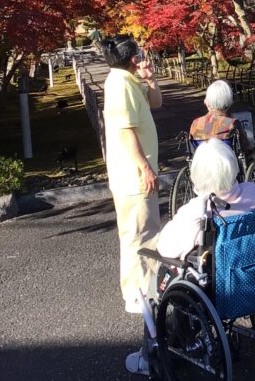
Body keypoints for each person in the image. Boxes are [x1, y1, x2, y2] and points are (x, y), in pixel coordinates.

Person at [99, 35, 163, 318]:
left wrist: (150, 79)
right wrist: (144, 167)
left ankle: (146, 288)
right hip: (133, 176)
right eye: (138, 54)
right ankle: (139, 295)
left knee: (144, 233)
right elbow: (125, 130)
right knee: (139, 236)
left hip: (135, 174)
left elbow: (156, 103)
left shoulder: (127, 79)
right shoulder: (119, 84)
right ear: (133, 57)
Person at [156, 138, 255, 261]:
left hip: (217, 274)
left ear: (196, 173)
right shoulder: (253, 191)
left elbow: (165, 248)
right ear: (233, 166)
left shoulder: (197, 211)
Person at [189, 80, 248, 150]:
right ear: (229, 102)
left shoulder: (195, 123)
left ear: (207, 101)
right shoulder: (233, 124)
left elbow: (192, 150)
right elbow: (245, 148)